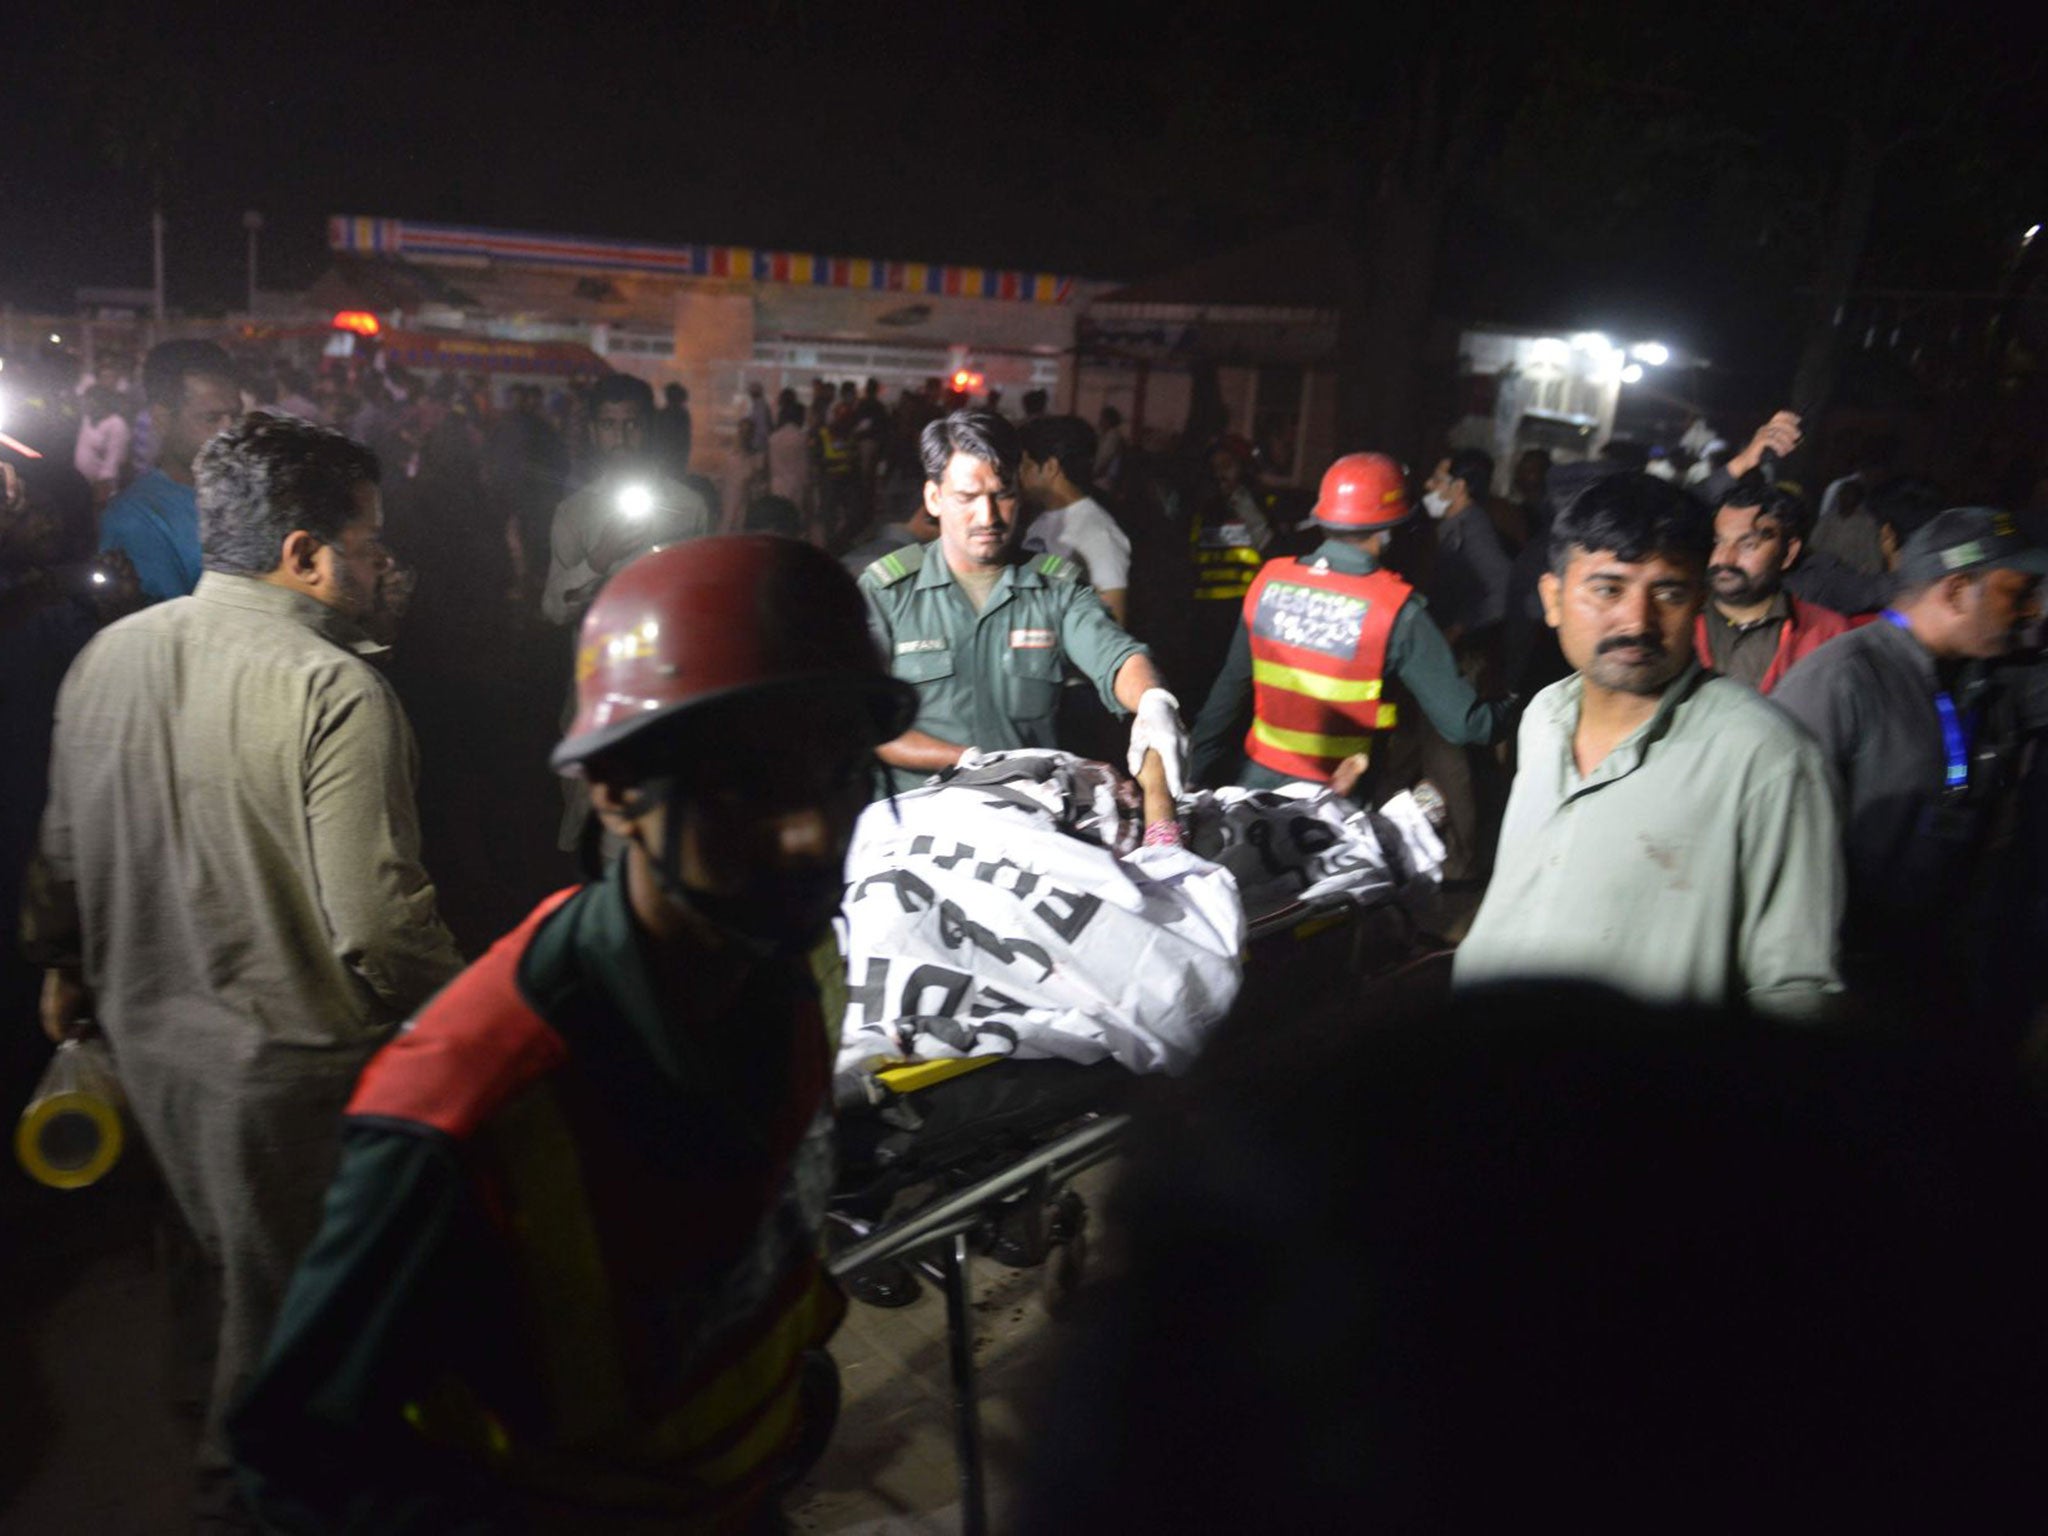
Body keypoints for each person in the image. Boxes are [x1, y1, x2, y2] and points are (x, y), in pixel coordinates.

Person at [231, 536, 917, 1534]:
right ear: (613, 790)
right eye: (745, 783)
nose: (811, 832)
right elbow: (299, 1462)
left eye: (837, 774)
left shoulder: (788, 967)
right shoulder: (468, 1102)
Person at [23, 413, 463, 1528]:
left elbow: (61, 860)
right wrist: (471, 1018)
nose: (380, 563)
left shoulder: (110, 652)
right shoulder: (337, 690)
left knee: (199, 1287)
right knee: (285, 1345)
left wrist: (65, 967)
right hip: (286, 1084)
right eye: (367, 539)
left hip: (144, 1051)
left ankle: (202, 1447)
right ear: (304, 553)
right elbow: (373, 924)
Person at [1453, 471, 1843, 1018]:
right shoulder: (1543, 718)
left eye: (1668, 592)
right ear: (1553, 598)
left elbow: (1796, 991)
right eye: (1608, 588)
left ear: (1699, 604)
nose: (1637, 621)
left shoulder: (1768, 758)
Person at [1772, 507, 2048, 1031]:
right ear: (1955, 591)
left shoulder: (1988, 679)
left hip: (1927, 974)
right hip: (1837, 983)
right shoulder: (1840, 680)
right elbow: (1774, 844)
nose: (2032, 611)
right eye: (2017, 593)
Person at [860, 410, 1185, 796]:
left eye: (1003, 494)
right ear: (933, 498)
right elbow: (867, 723)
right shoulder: (887, 592)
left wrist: (1153, 700)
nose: (989, 516)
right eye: (967, 497)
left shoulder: (1055, 587)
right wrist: (971, 759)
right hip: (921, 816)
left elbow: (1115, 654)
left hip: (1027, 816)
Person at [1188, 452, 1509, 797]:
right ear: (1389, 531)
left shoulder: (1269, 582)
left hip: (1254, 794)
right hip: (1335, 807)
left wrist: (1193, 777)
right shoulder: (1396, 609)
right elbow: (1464, 725)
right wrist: (1514, 707)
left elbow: (1224, 698)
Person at [540, 373, 713, 628]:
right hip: (604, 660)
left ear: (649, 428)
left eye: (632, 424)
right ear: (594, 432)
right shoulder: (573, 513)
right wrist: (599, 559)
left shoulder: (690, 506)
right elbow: (555, 610)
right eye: (608, 425)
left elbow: (706, 599)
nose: (620, 439)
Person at [98, 339, 240, 603]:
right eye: (211, 419)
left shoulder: (247, 493)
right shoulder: (137, 518)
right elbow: (168, 632)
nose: (230, 432)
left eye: (236, 417)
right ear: (162, 419)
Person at [1693, 473, 1852, 692]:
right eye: (1718, 542)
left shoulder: (1826, 632)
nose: (1724, 558)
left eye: (1747, 545)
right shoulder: (1680, 619)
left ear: (1789, 552)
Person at [1019, 413, 1133, 624]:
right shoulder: (1039, 522)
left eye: (1026, 467)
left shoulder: (1099, 534)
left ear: (1050, 468)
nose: (1019, 476)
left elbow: (1113, 622)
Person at [72, 383, 131, 507]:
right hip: (81, 485)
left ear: (100, 403)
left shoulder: (117, 424)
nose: (85, 405)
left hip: (101, 489)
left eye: (89, 402)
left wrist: (101, 492)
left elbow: (112, 463)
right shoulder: (87, 419)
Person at [650, 380, 694, 479]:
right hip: (675, 458)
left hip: (665, 458)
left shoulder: (662, 414)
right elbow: (684, 440)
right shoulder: (681, 414)